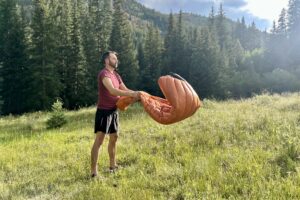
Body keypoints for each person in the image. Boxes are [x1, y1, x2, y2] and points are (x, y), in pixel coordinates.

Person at [91, 51, 140, 177]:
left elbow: (125, 89)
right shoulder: (104, 74)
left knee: (114, 138)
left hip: (114, 111)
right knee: (99, 141)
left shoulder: (116, 75)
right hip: (104, 112)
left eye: (116, 59)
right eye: (113, 58)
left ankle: (113, 166)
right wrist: (131, 94)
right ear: (107, 61)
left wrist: (138, 94)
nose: (116, 60)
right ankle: (94, 172)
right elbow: (113, 91)